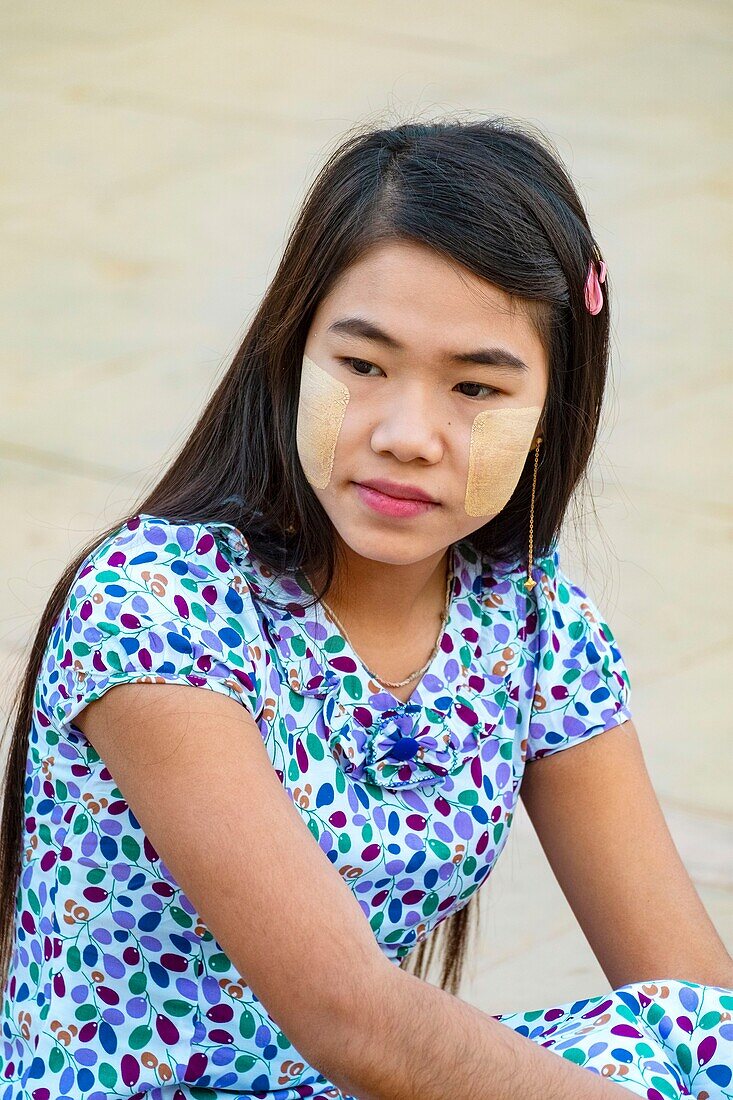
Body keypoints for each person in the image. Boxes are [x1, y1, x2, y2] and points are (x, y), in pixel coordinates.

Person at [1, 118, 731, 1100]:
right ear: (292, 351)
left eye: (476, 385)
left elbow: (692, 996)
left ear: (553, 408)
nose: (407, 433)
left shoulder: (531, 625)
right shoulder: (157, 607)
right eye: (362, 364)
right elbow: (356, 1018)